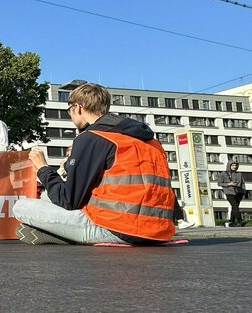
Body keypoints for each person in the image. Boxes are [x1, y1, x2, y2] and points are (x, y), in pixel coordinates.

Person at [14, 82, 177, 245]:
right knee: (45, 196)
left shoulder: (91, 138)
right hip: (159, 231)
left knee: (21, 207)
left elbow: (68, 201)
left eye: (69, 111)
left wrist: (43, 168)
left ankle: (62, 236)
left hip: (117, 230)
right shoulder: (151, 142)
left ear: (78, 108)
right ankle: (61, 233)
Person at [218, 161, 246, 227]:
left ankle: (231, 221)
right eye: (232, 165)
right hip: (229, 192)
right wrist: (228, 184)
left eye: (235, 165)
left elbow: (242, 183)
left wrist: (244, 191)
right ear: (229, 166)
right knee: (235, 206)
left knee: (235, 207)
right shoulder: (223, 174)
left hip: (239, 192)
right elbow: (219, 183)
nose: (234, 166)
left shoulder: (239, 174)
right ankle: (240, 220)